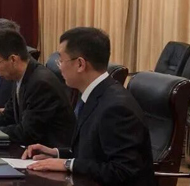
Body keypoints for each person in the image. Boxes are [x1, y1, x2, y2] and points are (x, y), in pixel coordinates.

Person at [24, 27, 155, 186]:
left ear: (80, 64)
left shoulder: (116, 108)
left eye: (61, 60)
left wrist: (68, 164)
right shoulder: (93, 94)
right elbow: (94, 154)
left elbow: (122, 171)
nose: (59, 67)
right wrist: (57, 154)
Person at [0, 29, 75, 147]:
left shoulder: (40, 83)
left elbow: (27, 132)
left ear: (13, 59)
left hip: (48, 152)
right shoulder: (20, 75)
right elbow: (8, 115)